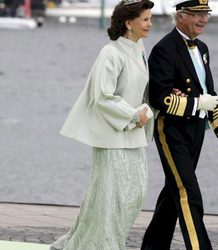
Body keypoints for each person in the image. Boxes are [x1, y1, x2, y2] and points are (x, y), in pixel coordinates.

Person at [49, 0, 154, 250]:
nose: (151, 24)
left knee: (134, 196)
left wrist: (148, 111)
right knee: (109, 200)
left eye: (150, 18)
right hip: (112, 136)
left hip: (135, 135)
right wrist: (132, 116)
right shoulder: (111, 52)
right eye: (146, 19)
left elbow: (143, 91)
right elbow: (102, 96)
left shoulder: (140, 48)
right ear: (129, 23)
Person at [141, 0, 218, 249]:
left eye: (206, 14)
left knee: (173, 192)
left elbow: (209, 92)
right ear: (180, 16)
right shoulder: (164, 49)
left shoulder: (202, 48)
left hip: (196, 130)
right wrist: (196, 103)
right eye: (197, 15)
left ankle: (152, 247)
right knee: (188, 192)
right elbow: (159, 97)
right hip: (171, 130)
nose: (203, 20)